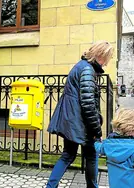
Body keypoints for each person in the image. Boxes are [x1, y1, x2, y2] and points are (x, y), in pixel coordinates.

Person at [46, 41, 114, 188]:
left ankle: (50, 186)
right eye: (106, 59)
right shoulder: (88, 70)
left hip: (71, 120)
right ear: (100, 55)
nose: (106, 64)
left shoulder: (80, 66)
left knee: (68, 155)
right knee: (91, 155)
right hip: (81, 122)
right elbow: (88, 104)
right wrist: (96, 130)